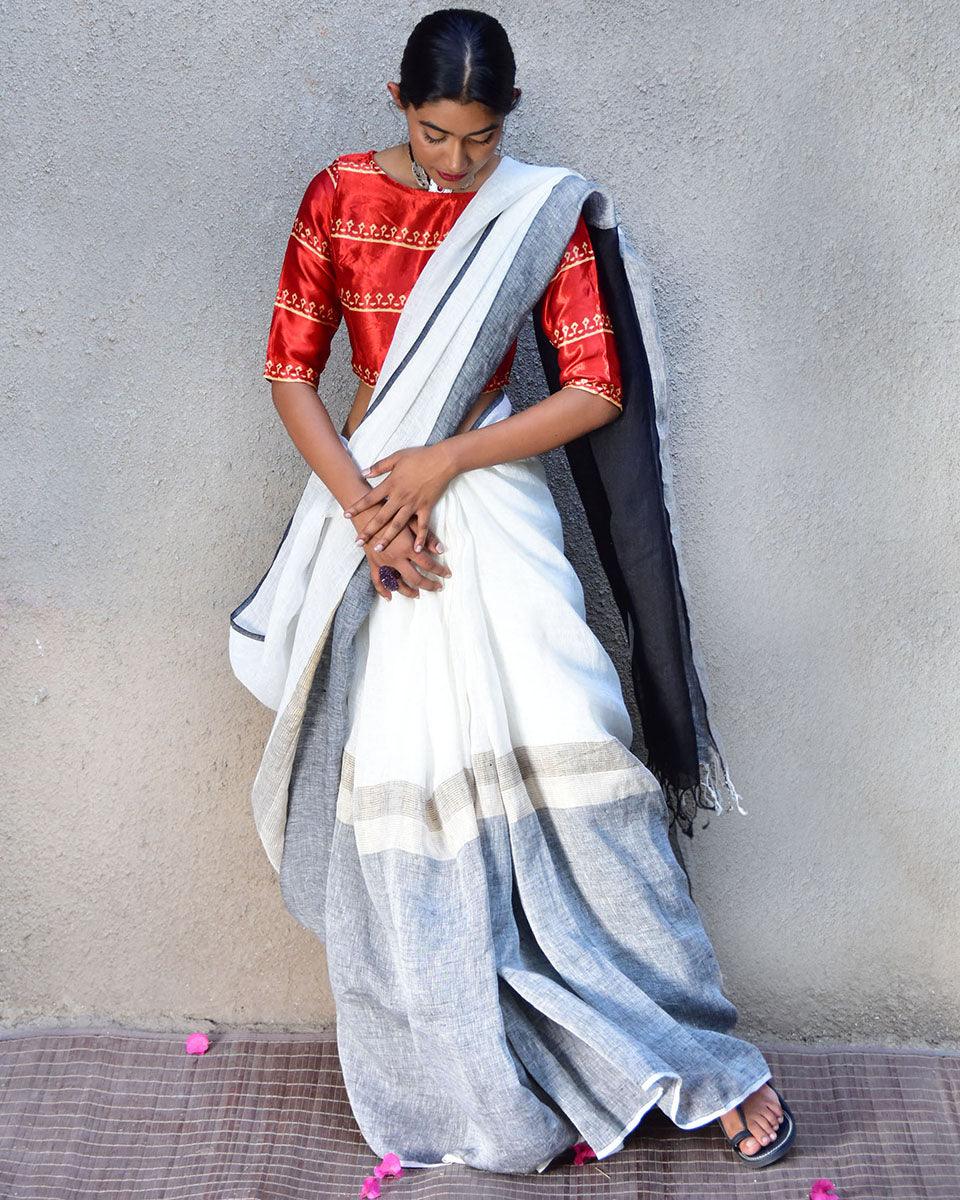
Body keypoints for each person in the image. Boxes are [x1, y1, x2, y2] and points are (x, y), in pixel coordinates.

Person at [233, 6, 797, 1178]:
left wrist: (443, 462)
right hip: (372, 515)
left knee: (588, 772)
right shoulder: (337, 195)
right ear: (399, 102)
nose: (456, 164)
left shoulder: (541, 209)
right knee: (416, 786)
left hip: (486, 498)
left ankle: (701, 1056)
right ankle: (463, 1074)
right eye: (437, 135)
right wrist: (370, 514)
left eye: (480, 140)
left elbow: (592, 390)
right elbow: (292, 373)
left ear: (510, 123)